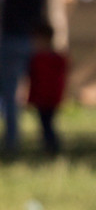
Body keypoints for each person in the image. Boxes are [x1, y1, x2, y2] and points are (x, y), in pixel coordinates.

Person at [0, 0, 52, 153]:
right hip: (28, 37)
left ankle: (12, 143)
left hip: (10, 35)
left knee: (9, 93)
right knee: (14, 92)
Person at [27, 21, 68, 155]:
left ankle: (52, 146)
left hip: (49, 98)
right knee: (45, 124)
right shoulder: (36, 58)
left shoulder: (53, 59)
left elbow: (59, 80)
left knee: (47, 124)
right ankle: (49, 146)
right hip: (41, 98)